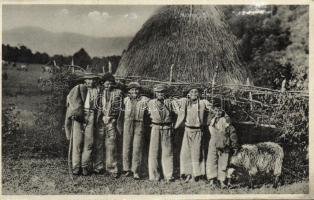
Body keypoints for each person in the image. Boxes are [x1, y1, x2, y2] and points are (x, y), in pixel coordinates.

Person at [174, 85, 213, 182]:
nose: (194, 94)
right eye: (192, 92)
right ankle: (187, 173)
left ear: (199, 94)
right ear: (188, 94)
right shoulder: (185, 102)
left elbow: (213, 110)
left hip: (198, 130)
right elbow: (174, 103)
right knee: (185, 153)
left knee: (197, 153)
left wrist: (208, 121)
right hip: (187, 131)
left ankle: (197, 174)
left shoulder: (203, 103)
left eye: (196, 92)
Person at [64, 73, 100, 176]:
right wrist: (74, 113)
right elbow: (71, 101)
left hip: (91, 114)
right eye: (88, 79)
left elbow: (98, 106)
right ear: (85, 80)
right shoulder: (78, 88)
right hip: (79, 115)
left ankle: (85, 166)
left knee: (89, 142)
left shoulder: (97, 90)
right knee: (77, 142)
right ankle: (76, 167)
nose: (91, 82)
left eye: (93, 79)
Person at [93, 73, 123, 178]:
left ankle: (112, 169)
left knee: (111, 145)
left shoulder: (118, 93)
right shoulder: (99, 93)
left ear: (113, 84)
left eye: (110, 84)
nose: (108, 86)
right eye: (106, 84)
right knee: (99, 144)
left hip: (111, 121)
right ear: (103, 83)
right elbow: (96, 107)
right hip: (101, 121)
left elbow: (119, 108)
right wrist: (100, 117)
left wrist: (113, 118)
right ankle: (98, 167)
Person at [147, 84, 177, 182]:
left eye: (162, 92)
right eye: (158, 92)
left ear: (165, 93)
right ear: (155, 93)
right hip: (155, 127)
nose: (160, 94)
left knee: (167, 152)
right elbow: (145, 115)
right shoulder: (150, 103)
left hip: (167, 128)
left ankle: (168, 175)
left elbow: (178, 112)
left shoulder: (170, 103)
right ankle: (154, 176)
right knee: (153, 152)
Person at [122, 82, 150, 180]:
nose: (134, 91)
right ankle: (126, 169)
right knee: (126, 146)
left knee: (137, 147)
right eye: (132, 89)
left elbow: (150, 111)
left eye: (136, 89)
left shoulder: (145, 100)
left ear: (139, 91)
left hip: (139, 123)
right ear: (129, 91)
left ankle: (136, 171)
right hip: (128, 123)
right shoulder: (125, 100)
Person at [206, 106, 238, 188]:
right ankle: (212, 181)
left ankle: (222, 181)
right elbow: (208, 123)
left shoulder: (226, 121)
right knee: (211, 161)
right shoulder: (211, 121)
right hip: (213, 143)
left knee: (223, 163)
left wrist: (234, 145)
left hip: (224, 144)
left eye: (220, 111)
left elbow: (232, 133)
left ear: (223, 112)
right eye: (216, 110)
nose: (218, 113)